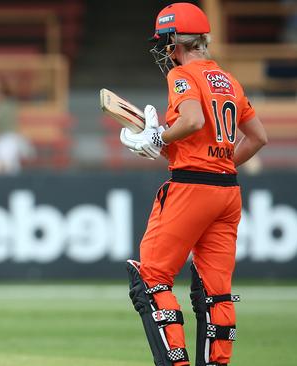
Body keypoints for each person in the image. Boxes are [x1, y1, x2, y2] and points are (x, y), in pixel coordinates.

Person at [119, 3, 268, 366]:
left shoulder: (182, 75)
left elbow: (192, 119)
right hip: (227, 191)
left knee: (151, 279)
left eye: (165, 42)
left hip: (190, 189)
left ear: (175, 41)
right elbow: (258, 137)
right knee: (216, 292)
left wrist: (157, 139)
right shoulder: (229, 79)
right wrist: (215, 163)